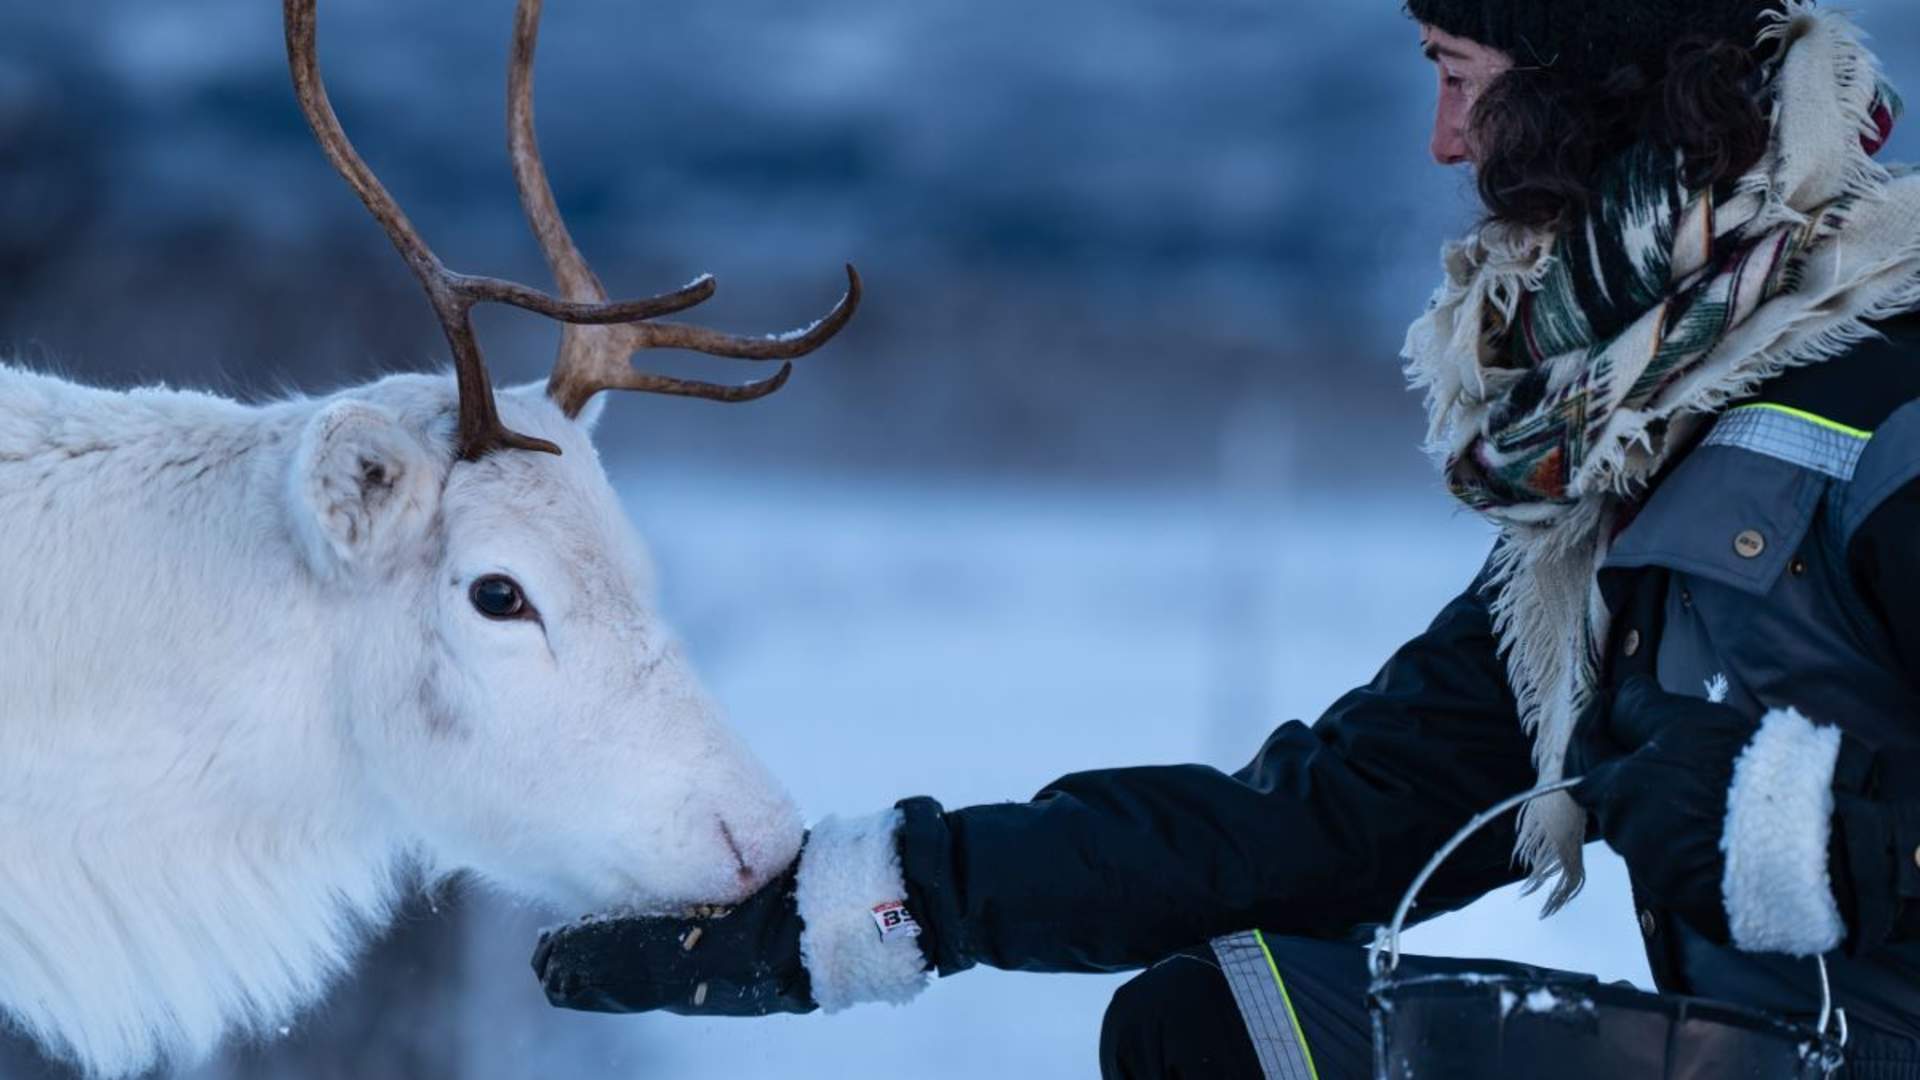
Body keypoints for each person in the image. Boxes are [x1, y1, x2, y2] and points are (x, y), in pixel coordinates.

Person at [531, 2, 1920, 1075]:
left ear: (1589, 88)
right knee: (1234, 1024)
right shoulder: (1642, 465)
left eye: (1458, 71)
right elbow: (1323, 825)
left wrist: (1829, 838)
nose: (1445, 143)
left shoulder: (1888, 406)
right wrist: (873, 908)